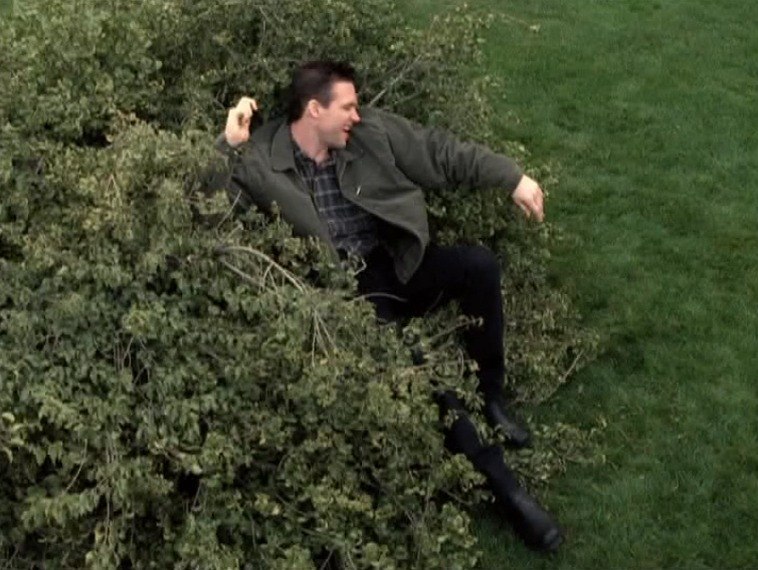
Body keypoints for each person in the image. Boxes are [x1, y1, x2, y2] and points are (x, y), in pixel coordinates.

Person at [217, 60, 562, 552]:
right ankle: (508, 493)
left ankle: (491, 398)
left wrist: (512, 178)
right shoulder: (262, 160)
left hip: (392, 265)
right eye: (347, 107)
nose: (357, 115)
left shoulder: (370, 134)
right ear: (314, 110)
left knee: (478, 266)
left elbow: (439, 152)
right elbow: (212, 208)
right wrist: (227, 146)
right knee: (417, 371)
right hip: (345, 292)